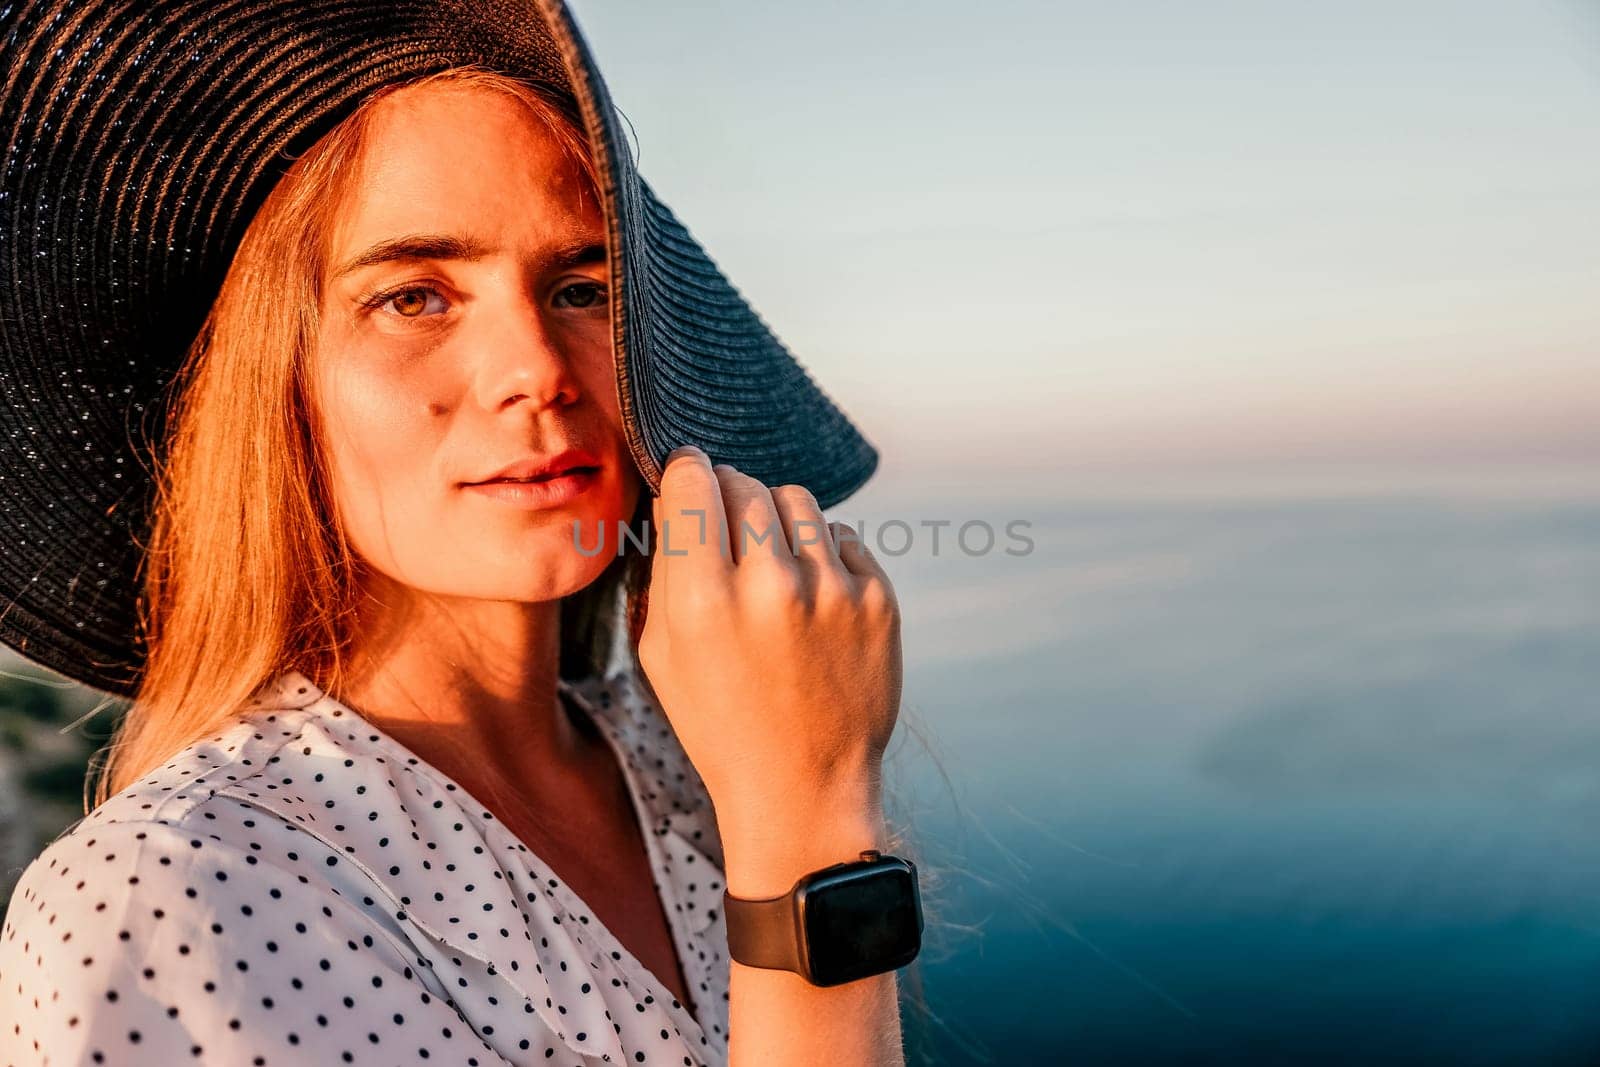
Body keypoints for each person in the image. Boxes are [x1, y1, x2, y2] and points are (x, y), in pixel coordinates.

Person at [0, 4, 912, 1065]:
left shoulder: (683, 758)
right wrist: (807, 825)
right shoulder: (169, 900)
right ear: (276, 387)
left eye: (581, 286)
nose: (534, 365)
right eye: (414, 296)